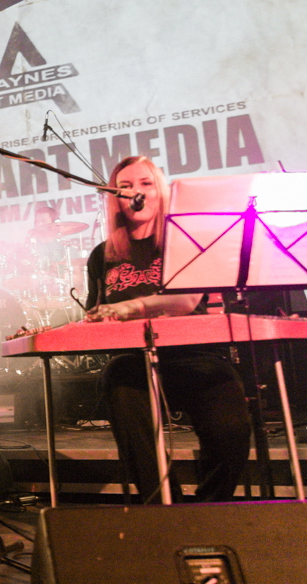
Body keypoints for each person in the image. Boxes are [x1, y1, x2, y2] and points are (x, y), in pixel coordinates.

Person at [84, 156, 251, 503]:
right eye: (125, 186)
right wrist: (96, 320)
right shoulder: (102, 255)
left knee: (231, 431)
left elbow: (187, 301)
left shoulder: (183, 240)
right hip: (135, 362)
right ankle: (164, 508)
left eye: (146, 184)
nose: (136, 192)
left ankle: (209, 507)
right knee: (118, 380)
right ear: (115, 198)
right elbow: (94, 311)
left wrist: (132, 307)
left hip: (197, 357)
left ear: (160, 191)